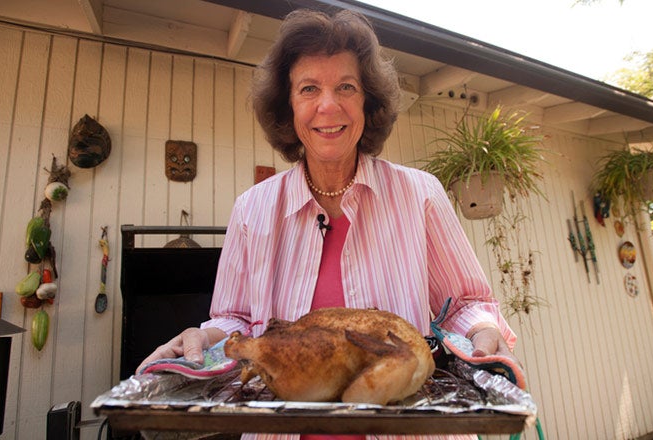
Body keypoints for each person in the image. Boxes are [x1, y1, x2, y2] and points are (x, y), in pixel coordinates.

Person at [139, 8, 518, 440]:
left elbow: (466, 303)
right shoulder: (252, 209)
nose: (328, 105)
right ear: (289, 106)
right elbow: (235, 319)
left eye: (346, 87)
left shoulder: (420, 195)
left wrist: (482, 330)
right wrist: (204, 338)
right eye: (309, 89)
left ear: (367, 102)